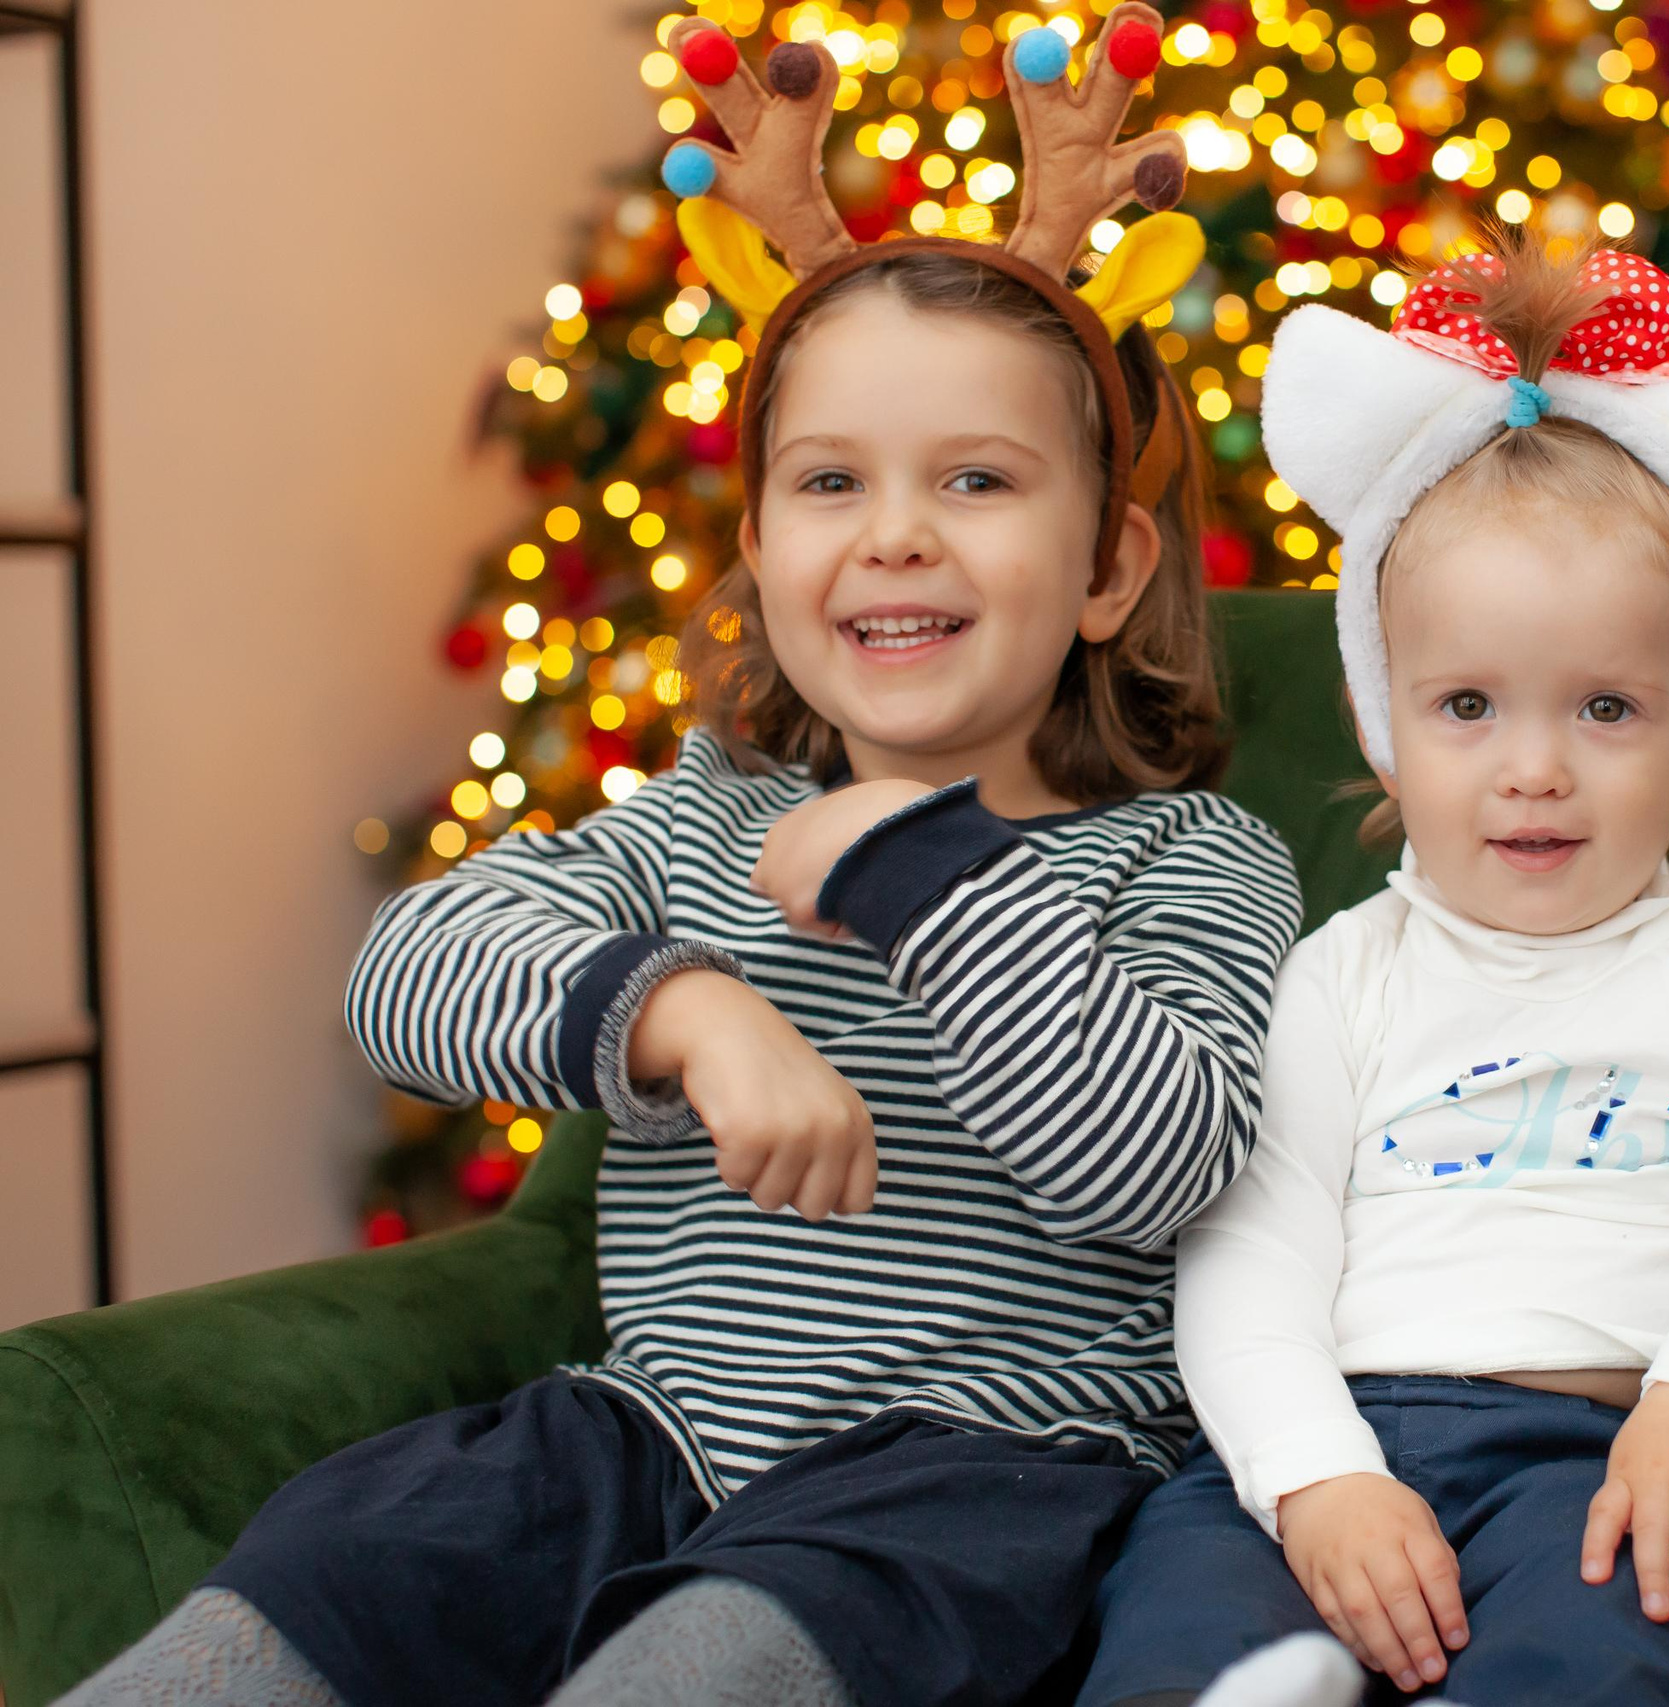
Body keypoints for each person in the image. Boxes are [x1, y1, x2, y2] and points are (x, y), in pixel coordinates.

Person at [61, 11, 1300, 1707]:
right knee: (301, 1601)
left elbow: (1167, 1164)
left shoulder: (1190, 858)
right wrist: (689, 1011)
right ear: (765, 548)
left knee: (691, 1675)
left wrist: (936, 884)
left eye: (979, 479)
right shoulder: (709, 816)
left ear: (1107, 564)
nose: (897, 532)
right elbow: (408, 971)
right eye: (829, 481)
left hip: (982, 1481)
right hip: (640, 1439)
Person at [1076, 229, 1669, 1707]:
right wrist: (1315, 1479)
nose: (1534, 770)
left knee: (1611, 1649)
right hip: (1335, 1440)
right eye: (1467, 705)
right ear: (1384, 724)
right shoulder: (1342, 975)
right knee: (1184, 1608)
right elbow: (1249, 1256)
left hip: (1596, 1456)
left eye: (1606, 707)